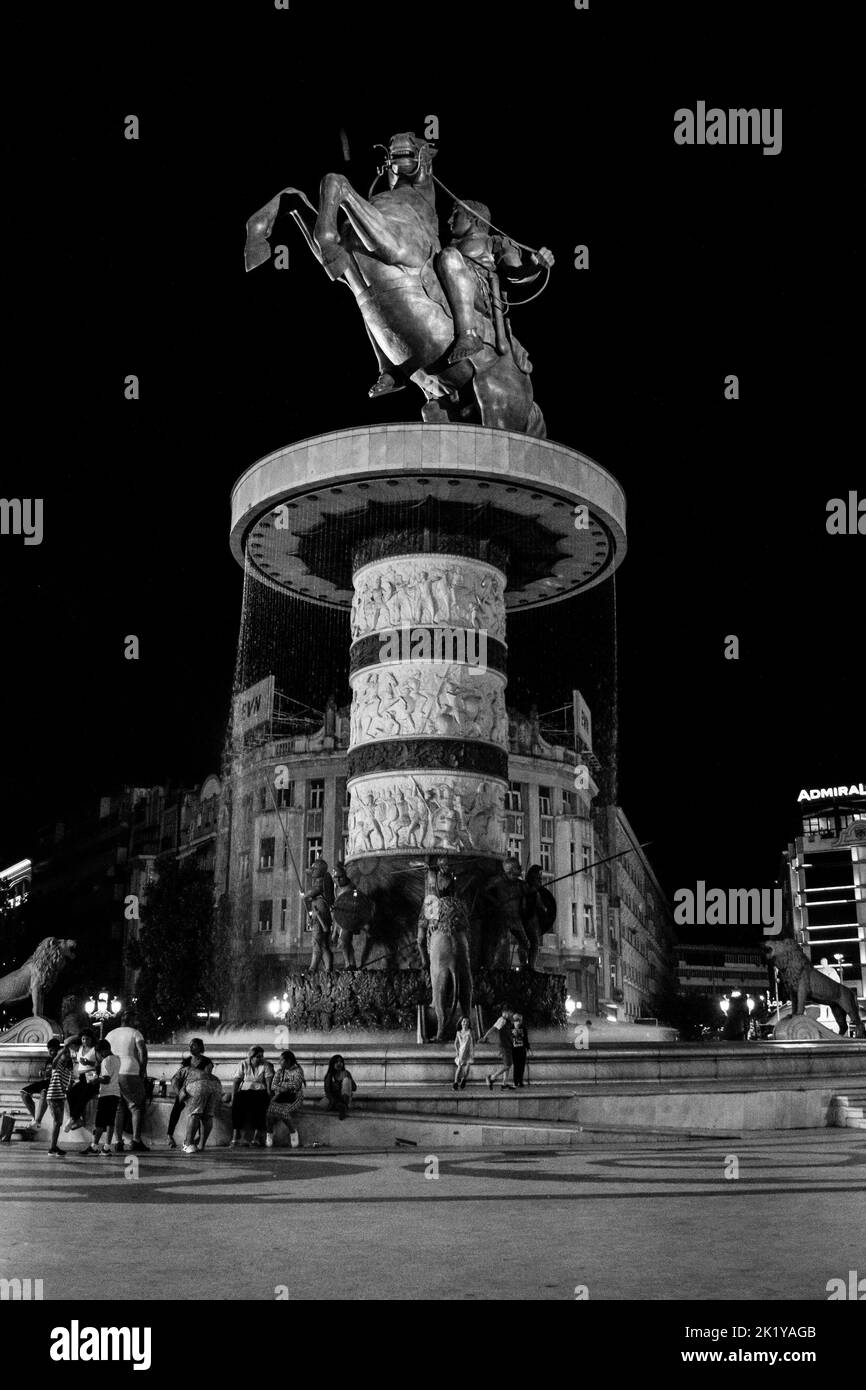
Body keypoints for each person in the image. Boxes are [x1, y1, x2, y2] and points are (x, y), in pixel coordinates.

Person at [106, 1020, 150, 1153]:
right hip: (130, 1071)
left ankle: (118, 1142)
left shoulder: (110, 1034)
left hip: (114, 1072)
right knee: (135, 1106)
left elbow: (104, 1053)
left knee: (118, 1108)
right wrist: (142, 1070)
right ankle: (136, 1140)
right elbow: (142, 1051)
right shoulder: (135, 1033)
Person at [167, 1038, 213, 1150]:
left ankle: (196, 1139)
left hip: (198, 1091)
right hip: (185, 1090)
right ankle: (169, 1136)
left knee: (199, 1113)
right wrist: (180, 1091)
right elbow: (179, 1076)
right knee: (176, 1108)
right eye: (190, 1045)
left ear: (200, 1047)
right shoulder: (186, 1061)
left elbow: (205, 1078)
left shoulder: (207, 1062)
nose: (190, 1047)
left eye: (193, 1045)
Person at [80, 1039, 121, 1155]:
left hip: (106, 1094)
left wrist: (96, 1080)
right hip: (115, 1094)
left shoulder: (106, 1060)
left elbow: (106, 1079)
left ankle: (94, 1146)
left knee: (100, 1122)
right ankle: (107, 1147)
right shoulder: (117, 1059)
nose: (98, 1056)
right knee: (110, 1122)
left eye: (98, 1054)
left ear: (102, 1051)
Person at [230, 1046, 273, 1147]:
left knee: (260, 1109)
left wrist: (270, 1096)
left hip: (260, 1091)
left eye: (262, 1056)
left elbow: (268, 1083)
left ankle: (256, 1138)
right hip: (245, 1090)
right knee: (236, 1107)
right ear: (251, 1057)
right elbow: (236, 1082)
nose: (260, 1058)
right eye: (258, 1057)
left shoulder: (266, 1065)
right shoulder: (243, 1064)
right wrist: (233, 1097)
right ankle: (235, 1138)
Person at [181, 1057, 223, 1155]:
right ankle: (201, 1145)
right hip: (216, 1084)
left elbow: (180, 1091)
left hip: (198, 1084)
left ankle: (188, 1144)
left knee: (195, 1114)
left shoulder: (190, 1072)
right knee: (208, 1116)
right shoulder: (213, 1076)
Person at [265, 1050, 306, 1149]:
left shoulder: (298, 1071)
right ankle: (269, 1133)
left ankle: (293, 1132)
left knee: (284, 1111)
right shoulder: (280, 1071)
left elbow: (296, 1085)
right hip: (281, 1097)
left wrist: (282, 1085)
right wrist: (285, 1087)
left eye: (281, 1060)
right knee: (268, 1111)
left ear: (288, 1061)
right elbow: (273, 1086)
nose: (279, 1062)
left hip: (295, 1098)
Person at [19, 1037, 61, 1131]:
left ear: (58, 1050)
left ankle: (38, 1121)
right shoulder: (49, 1060)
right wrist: (42, 1072)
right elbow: (45, 1072)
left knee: (44, 1092)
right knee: (23, 1093)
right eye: (50, 1050)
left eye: (54, 1050)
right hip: (45, 1082)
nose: (52, 1052)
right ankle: (35, 1119)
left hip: (55, 1083)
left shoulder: (62, 1059)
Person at [64, 1029, 99, 1132]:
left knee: (84, 1095)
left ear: (92, 1039)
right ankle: (76, 1118)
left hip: (92, 1075)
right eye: (83, 1039)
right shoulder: (79, 1048)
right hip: (82, 1077)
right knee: (70, 1093)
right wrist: (79, 1035)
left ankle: (73, 1118)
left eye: (87, 1039)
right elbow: (66, 1042)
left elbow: (100, 1063)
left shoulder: (95, 1049)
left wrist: (89, 1062)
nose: (85, 1041)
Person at [44, 1043, 74, 1157]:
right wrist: (62, 1051)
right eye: (65, 1053)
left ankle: (54, 1146)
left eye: (68, 1053)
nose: (67, 1055)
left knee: (58, 1123)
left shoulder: (68, 1069)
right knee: (57, 1122)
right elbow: (55, 1060)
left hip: (60, 1097)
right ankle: (52, 1148)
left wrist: (69, 1086)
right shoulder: (57, 1065)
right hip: (53, 1097)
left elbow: (68, 1085)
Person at [481, 1006, 514, 1089]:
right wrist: (485, 1037)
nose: (511, 1014)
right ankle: (492, 1077)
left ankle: (504, 1084)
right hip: (504, 1046)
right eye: (510, 1012)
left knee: (508, 1065)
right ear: (505, 1012)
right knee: (507, 1065)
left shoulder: (508, 1021)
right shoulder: (502, 1020)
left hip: (508, 1045)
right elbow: (493, 1028)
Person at [318, 1054, 356, 1119]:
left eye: (341, 1062)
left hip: (344, 1098)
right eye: (336, 1062)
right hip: (333, 1098)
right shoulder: (329, 1075)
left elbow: (354, 1088)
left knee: (346, 1080)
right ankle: (340, 1107)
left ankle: (342, 1106)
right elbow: (327, 1092)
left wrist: (349, 1078)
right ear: (332, 1064)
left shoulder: (346, 1073)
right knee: (322, 1104)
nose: (339, 1063)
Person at [453, 1017, 474, 1090]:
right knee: (460, 1067)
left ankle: (463, 1079)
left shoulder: (470, 1031)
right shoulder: (458, 1032)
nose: (466, 1023)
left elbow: (473, 1041)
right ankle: (455, 1082)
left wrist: (472, 1050)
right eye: (464, 1021)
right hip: (461, 1051)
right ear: (461, 1023)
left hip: (469, 1051)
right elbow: (456, 1043)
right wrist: (457, 1051)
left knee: (468, 1066)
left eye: (467, 1022)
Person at [511, 1012, 531, 1087]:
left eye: (520, 1021)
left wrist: (528, 1049)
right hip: (514, 1050)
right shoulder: (510, 1028)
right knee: (516, 1066)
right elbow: (508, 1039)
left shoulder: (523, 1028)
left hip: (522, 1049)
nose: (519, 1022)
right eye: (517, 1020)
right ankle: (515, 1081)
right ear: (514, 1021)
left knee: (522, 1066)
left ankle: (520, 1081)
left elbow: (526, 1039)